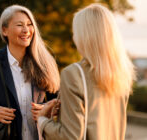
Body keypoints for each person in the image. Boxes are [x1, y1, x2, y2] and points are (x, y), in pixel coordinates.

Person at [37, 4, 136, 140]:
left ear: (84, 36)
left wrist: (42, 120)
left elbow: (69, 136)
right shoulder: (121, 75)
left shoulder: (73, 74)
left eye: (75, 32)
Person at [0, 5, 60, 140]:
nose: (26, 30)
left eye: (29, 24)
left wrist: (47, 109)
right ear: (5, 30)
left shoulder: (44, 62)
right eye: (20, 25)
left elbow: (57, 101)